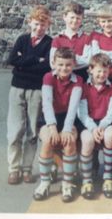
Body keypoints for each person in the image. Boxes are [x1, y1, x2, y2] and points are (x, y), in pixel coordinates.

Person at [7, 5, 52, 185]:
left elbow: (46, 66)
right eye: (36, 24)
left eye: (43, 25)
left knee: (32, 131)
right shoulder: (22, 39)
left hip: (36, 90)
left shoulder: (50, 43)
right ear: (29, 22)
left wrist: (23, 62)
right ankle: (14, 168)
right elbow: (12, 60)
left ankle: (27, 168)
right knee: (14, 131)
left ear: (47, 26)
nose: (39, 28)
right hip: (17, 88)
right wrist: (35, 59)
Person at [33, 47, 83, 202]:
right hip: (50, 118)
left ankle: (67, 183)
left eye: (68, 65)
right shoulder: (48, 77)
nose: (64, 68)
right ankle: (45, 182)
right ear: (53, 63)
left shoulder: (78, 80)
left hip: (69, 118)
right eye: (60, 64)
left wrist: (67, 129)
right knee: (48, 140)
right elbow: (47, 103)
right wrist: (52, 127)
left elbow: (74, 106)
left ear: (74, 64)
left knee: (68, 142)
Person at [77, 53, 112, 199]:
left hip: (106, 123)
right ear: (90, 70)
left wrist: (103, 126)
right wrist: (93, 128)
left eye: (105, 71)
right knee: (87, 140)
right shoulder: (83, 87)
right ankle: (87, 180)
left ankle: (108, 176)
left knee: (110, 134)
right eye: (99, 71)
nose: (102, 74)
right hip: (89, 124)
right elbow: (82, 113)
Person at [50, 1, 91, 81]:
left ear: (82, 19)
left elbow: (87, 60)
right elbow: (53, 63)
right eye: (72, 17)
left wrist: (63, 62)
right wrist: (77, 59)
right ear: (64, 17)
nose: (75, 21)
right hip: (60, 79)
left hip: (81, 78)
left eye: (78, 18)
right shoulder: (57, 39)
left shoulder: (86, 38)